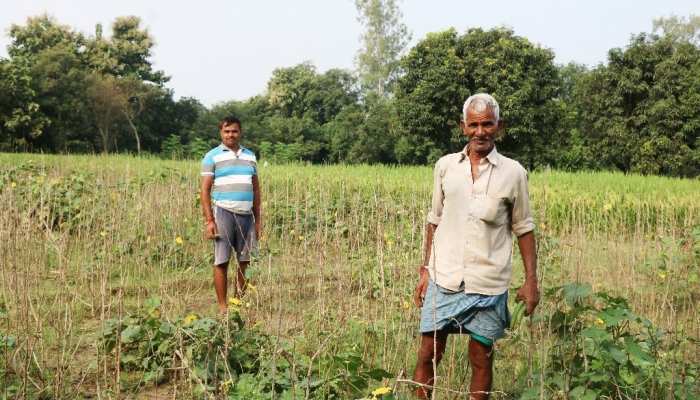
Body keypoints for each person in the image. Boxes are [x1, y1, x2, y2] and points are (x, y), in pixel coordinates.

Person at [412, 94, 539, 399]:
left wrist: (531, 281)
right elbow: (435, 219)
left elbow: (524, 228)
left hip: (488, 282)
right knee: (428, 353)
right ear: (463, 127)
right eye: (474, 124)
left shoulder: (514, 173)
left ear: (499, 126)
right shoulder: (445, 167)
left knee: (481, 357)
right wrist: (426, 270)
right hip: (444, 277)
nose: (480, 131)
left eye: (488, 124)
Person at [200, 116, 261, 314]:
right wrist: (210, 220)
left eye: (234, 131)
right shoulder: (212, 156)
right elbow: (205, 190)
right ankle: (222, 306)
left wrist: (258, 219)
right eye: (226, 131)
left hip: (247, 215)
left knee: (245, 261)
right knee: (222, 260)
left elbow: (256, 189)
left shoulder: (250, 156)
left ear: (240, 132)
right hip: (223, 212)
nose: (230, 135)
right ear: (221, 133)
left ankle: (238, 302)